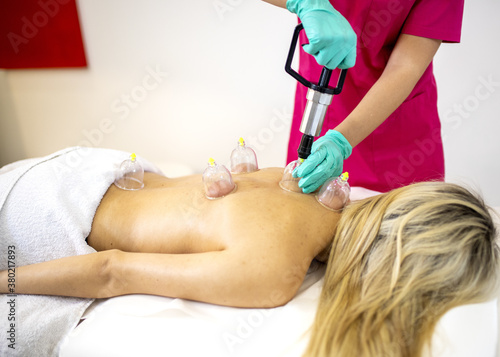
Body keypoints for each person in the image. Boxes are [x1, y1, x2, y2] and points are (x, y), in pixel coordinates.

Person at [0, 148, 498, 357]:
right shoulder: (274, 273)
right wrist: (6, 281)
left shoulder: (316, 177)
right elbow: (110, 272)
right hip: (43, 213)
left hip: (79, 167)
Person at [262, 0, 465, 194]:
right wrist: (306, 2)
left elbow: (406, 65)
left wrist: (340, 141)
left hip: (400, 133)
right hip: (320, 113)